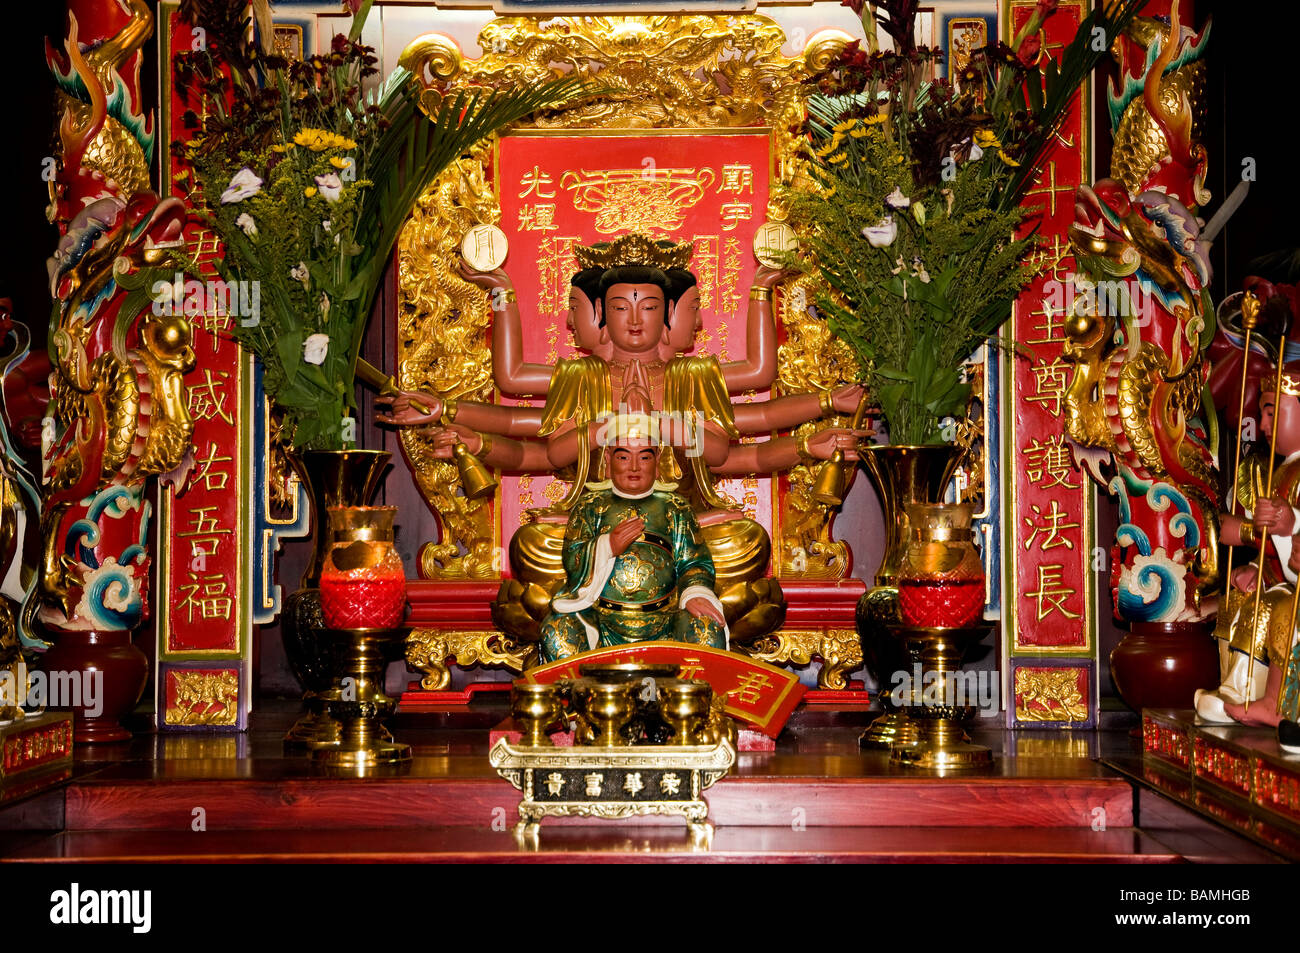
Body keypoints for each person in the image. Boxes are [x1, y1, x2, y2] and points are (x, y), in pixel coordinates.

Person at [539, 414, 726, 662]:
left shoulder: (675, 507)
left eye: (645, 457)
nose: (634, 467)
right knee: (557, 630)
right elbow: (573, 558)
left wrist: (695, 594)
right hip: (600, 617)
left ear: (658, 460)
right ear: (608, 459)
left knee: (706, 628)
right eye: (624, 457)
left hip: (665, 620)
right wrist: (605, 547)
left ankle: (687, 698)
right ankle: (582, 695)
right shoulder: (591, 505)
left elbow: (694, 563)